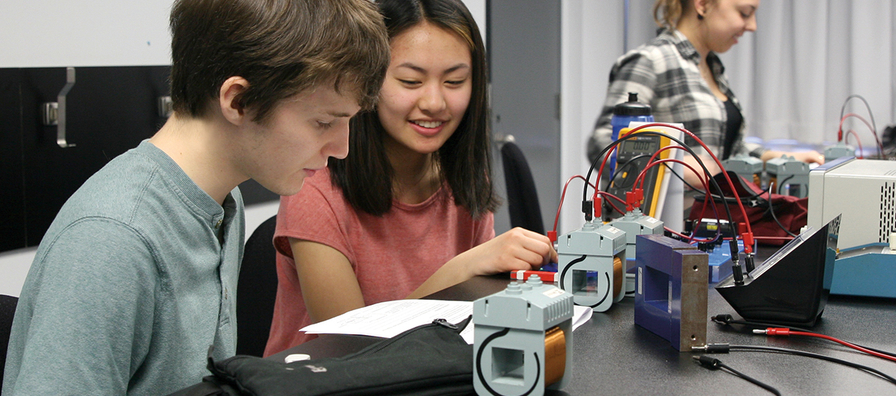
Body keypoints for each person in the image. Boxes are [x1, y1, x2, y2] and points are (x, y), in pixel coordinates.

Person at [1, 1, 389, 396]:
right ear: (238, 101)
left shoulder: (222, 201)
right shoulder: (112, 240)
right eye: (324, 122)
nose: (342, 148)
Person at [264, 0, 557, 356]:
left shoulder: (462, 178)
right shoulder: (314, 189)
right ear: (367, 82)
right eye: (410, 81)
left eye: (454, 81)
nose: (434, 102)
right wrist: (461, 269)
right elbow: (352, 353)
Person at [588, 0, 822, 188]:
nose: (752, 26)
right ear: (702, 5)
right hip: (663, 231)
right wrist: (674, 164)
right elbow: (602, 143)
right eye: (744, 13)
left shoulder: (713, 68)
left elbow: (723, 152)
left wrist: (774, 157)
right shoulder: (650, 61)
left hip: (711, 222)